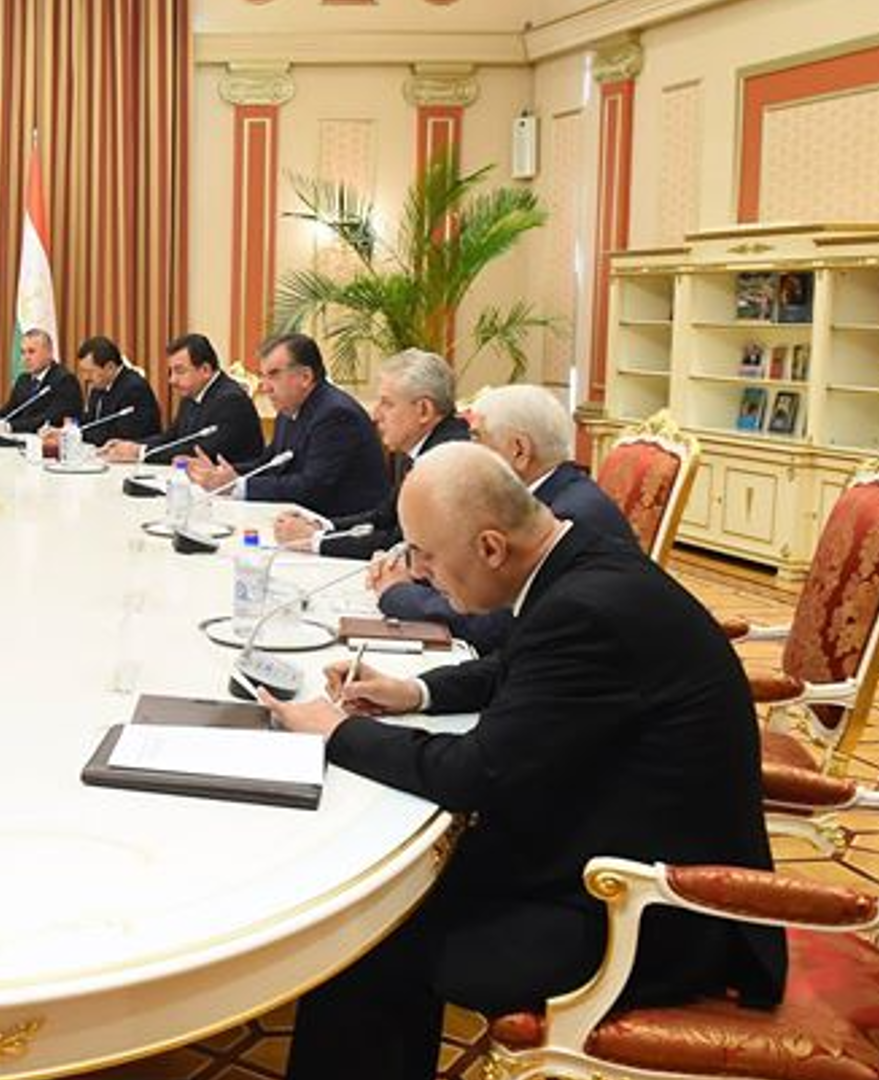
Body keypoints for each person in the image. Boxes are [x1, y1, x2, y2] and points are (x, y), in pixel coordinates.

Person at [258, 443, 782, 1080]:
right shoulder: (580, 557)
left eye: (425, 555)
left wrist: (339, 732)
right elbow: (517, 667)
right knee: (385, 896)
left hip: (645, 914)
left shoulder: (584, 610)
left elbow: (472, 774)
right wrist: (414, 692)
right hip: (600, 839)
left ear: (489, 548)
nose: (418, 572)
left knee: (366, 939)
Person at [375, 384, 637, 653]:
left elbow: (492, 626)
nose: (469, 450)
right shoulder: (555, 492)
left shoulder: (567, 517)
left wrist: (398, 592)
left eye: (477, 438)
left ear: (519, 450)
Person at [276, 349, 466, 560]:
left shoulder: (446, 460)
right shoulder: (414, 449)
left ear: (424, 410)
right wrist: (322, 526)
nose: (376, 415)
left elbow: (399, 542)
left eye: (387, 403)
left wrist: (316, 540)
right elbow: (383, 517)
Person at [189, 333, 387, 519]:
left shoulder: (335, 415)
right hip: (302, 517)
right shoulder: (290, 408)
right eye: (262, 376)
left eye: (273, 375)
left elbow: (312, 487)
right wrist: (222, 474)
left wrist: (238, 486)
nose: (265, 387)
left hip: (344, 526)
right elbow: (269, 463)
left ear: (305, 377)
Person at [101, 333, 263, 467]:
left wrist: (141, 452)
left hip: (230, 489)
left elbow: (202, 451)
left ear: (205, 370)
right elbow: (172, 437)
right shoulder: (192, 393)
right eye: (171, 372)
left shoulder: (231, 400)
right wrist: (132, 445)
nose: (172, 380)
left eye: (180, 371)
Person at [41, 335, 160, 452]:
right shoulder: (99, 385)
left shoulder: (134, 388)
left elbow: (118, 434)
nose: (85, 378)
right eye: (83, 371)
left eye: (90, 371)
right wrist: (65, 430)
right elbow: (92, 422)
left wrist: (74, 435)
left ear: (110, 367)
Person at [0, 328, 81, 435]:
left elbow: (48, 418)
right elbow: (10, 410)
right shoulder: (23, 379)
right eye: (23, 352)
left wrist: (10, 426)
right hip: (22, 438)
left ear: (49, 353)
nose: (26, 358)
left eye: (31, 352)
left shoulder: (64, 380)